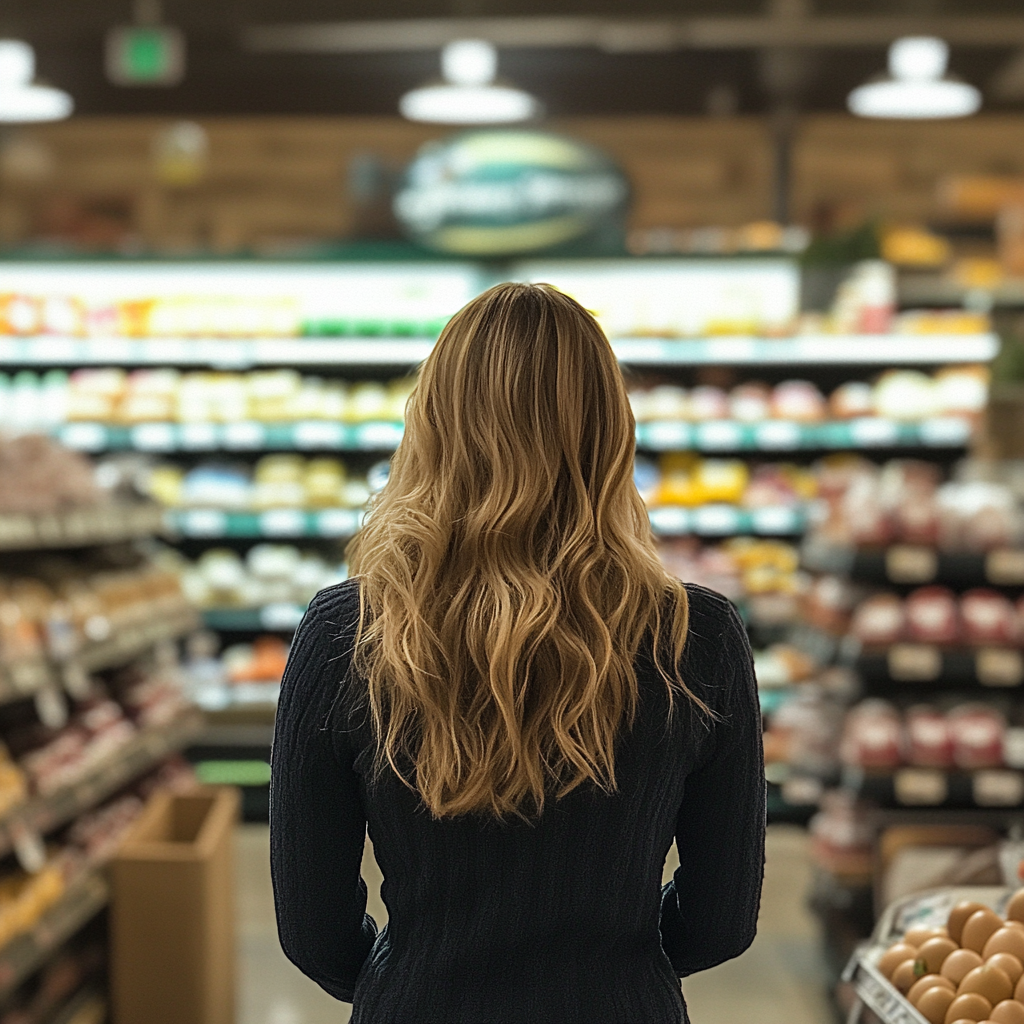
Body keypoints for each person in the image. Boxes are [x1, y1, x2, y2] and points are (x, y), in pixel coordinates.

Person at [270, 282, 765, 1024]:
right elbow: (722, 920)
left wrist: (406, 970)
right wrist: (620, 959)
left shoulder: (348, 631)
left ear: (431, 424)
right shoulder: (696, 637)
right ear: (610, 434)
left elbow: (312, 929)